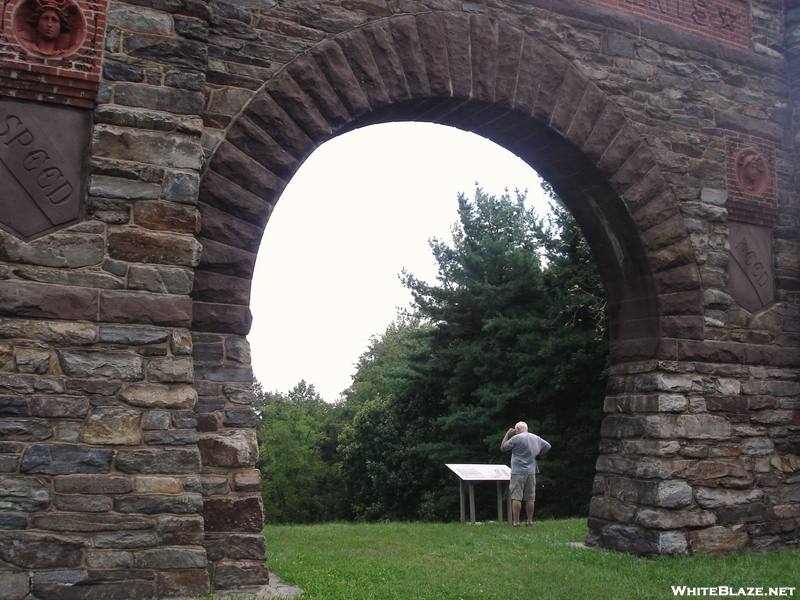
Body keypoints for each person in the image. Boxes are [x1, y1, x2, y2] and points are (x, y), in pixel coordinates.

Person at [500, 421, 550, 527]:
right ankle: (529, 521)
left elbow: (503, 447)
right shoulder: (536, 438)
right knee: (530, 498)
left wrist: (508, 434)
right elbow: (547, 446)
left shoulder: (516, 438)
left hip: (518, 471)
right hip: (531, 471)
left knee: (516, 497)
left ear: (517, 430)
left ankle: (516, 522)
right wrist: (538, 455)